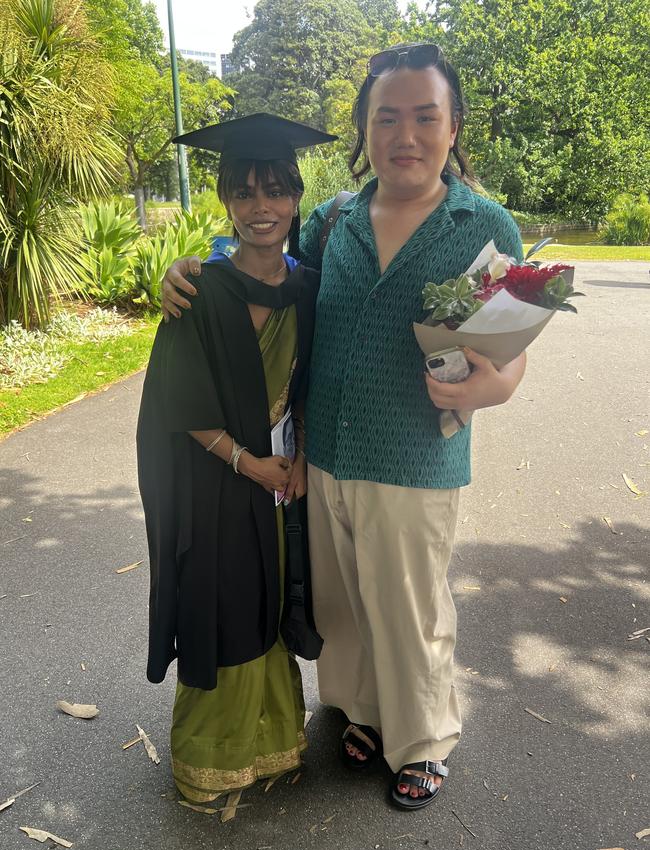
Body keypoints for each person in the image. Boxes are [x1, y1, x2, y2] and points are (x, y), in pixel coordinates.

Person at [160, 44, 526, 811]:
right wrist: (188, 267)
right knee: (345, 603)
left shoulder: (485, 227)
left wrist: (492, 387)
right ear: (364, 129)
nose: (406, 134)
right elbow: (261, 264)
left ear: (453, 125)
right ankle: (360, 710)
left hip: (417, 456)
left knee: (411, 606)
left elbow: (509, 349)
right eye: (386, 117)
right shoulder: (335, 219)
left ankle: (423, 739)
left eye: (425, 116)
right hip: (323, 456)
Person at [136, 113, 336, 803]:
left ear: (295, 197)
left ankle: (273, 740)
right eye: (245, 192)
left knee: (273, 599)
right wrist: (250, 464)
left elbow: (312, 382)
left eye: (275, 190)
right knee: (222, 600)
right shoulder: (201, 291)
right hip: (221, 481)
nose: (262, 207)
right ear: (225, 198)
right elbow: (178, 401)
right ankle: (211, 754)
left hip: (283, 479)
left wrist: (301, 458)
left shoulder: (307, 289)